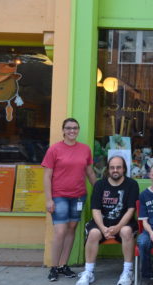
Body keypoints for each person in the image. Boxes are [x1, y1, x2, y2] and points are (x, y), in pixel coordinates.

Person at [42, 118, 96, 282]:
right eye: (68, 128)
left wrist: (101, 190)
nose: (72, 131)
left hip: (79, 195)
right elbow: (47, 176)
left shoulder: (85, 149)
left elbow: (90, 173)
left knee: (72, 229)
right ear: (63, 130)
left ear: (78, 130)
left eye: (75, 128)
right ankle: (54, 266)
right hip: (59, 196)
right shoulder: (54, 149)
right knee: (60, 231)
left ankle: (63, 265)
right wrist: (49, 199)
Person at [76, 155, 139, 285]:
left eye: (118, 167)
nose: (115, 170)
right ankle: (89, 272)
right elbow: (96, 210)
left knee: (127, 231)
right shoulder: (100, 184)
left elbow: (131, 210)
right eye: (112, 168)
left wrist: (118, 227)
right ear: (108, 169)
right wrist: (103, 227)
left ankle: (128, 271)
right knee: (94, 233)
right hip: (103, 223)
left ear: (124, 169)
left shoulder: (132, 184)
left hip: (123, 222)